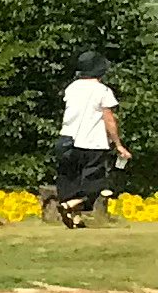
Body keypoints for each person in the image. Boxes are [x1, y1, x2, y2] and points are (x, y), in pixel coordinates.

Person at [52, 49, 128, 228]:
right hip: (93, 143)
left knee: (70, 181)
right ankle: (69, 206)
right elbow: (109, 119)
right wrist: (118, 144)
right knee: (93, 186)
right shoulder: (103, 91)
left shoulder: (71, 88)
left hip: (66, 141)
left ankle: (75, 219)